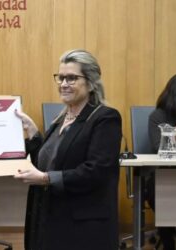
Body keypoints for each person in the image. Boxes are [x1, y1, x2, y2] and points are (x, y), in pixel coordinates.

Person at [14, 49, 122, 250]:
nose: (63, 84)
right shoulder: (61, 118)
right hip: (50, 218)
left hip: (82, 227)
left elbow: (96, 171)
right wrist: (34, 134)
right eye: (61, 77)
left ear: (90, 83)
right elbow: (50, 162)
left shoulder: (105, 118)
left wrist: (45, 178)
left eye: (71, 78)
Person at [147, 73, 176, 250]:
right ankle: (168, 242)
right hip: (162, 175)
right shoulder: (158, 116)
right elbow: (159, 149)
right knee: (165, 184)